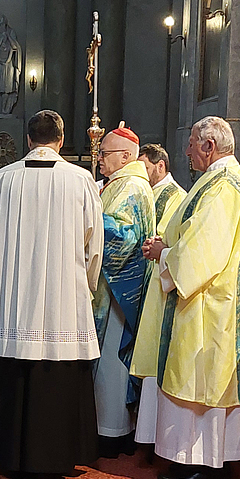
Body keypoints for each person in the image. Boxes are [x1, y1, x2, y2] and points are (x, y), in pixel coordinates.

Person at [0, 110, 103, 478]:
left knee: (13, 366)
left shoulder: (4, 178)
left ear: (29, 140)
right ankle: (56, 455)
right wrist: (85, 286)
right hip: (62, 299)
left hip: (13, 301)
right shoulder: (81, 179)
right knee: (58, 367)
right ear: (61, 140)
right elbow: (93, 243)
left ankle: (9, 453)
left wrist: (10, 273)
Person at [140, 116, 240, 479]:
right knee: (198, 384)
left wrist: (165, 253)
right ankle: (196, 459)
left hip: (209, 305)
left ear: (209, 146)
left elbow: (202, 251)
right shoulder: (221, 179)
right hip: (208, 300)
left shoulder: (223, 186)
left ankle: (205, 463)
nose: (188, 150)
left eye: (192, 143)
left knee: (202, 384)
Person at [91, 125, 155, 458]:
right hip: (112, 286)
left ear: (126, 156)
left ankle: (111, 431)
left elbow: (125, 238)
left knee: (111, 363)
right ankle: (108, 426)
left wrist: (87, 217)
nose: (99, 159)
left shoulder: (130, 187)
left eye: (104, 153)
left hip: (118, 291)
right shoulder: (121, 184)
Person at [131, 144, 187, 451]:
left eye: (145, 166)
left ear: (160, 166)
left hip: (158, 280)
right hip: (148, 277)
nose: (141, 172)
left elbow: (163, 239)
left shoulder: (174, 196)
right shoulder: (150, 191)